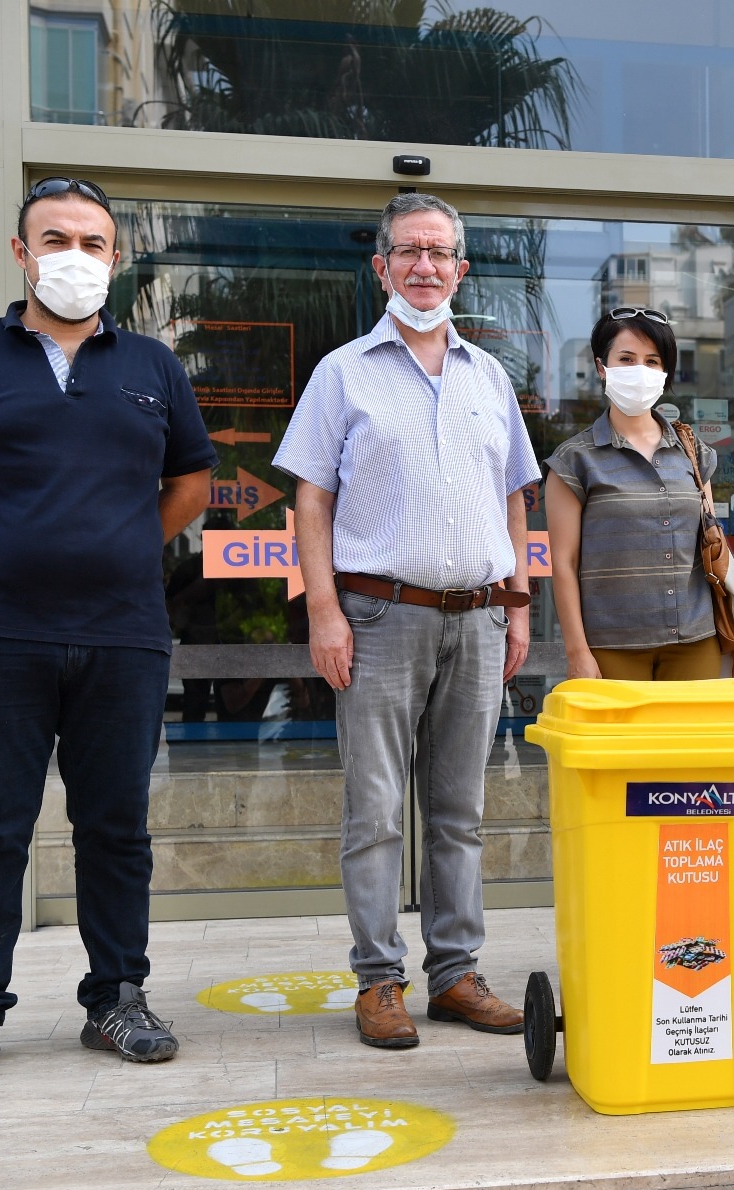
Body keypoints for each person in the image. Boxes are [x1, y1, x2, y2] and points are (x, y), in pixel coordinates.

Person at [0, 177, 217, 1084]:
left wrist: (119, 544)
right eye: (56, 239)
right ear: (23, 254)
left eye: (94, 241)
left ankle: (117, 996)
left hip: (122, 633)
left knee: (116, 826)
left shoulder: (151, 365)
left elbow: (188, 482)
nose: (76, 256)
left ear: (115, 258)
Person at [276, 193, 538, 1050]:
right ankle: (379, 979)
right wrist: (323, 610)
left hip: (478, 619)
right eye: (408, 252)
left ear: (460, 269)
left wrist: (519, 601)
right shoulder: (342, 372)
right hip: (379, 615)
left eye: (440, 252)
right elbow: (311, 501)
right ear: (380, 266)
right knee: (378, 808)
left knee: (459, 809)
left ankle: (455, 974)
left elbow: (514, 499)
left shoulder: (488, 376)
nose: (424, 266)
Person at [544, 308, 734, 682]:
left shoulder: (693, 452)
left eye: (652, 361)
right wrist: (577, 650)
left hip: (696, 640)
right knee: (621, 743)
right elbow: (563, 563)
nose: (639, 370)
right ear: (601, 367)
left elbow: (712, 542)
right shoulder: (574, 460)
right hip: (612, 646)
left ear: (664, 373)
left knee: (689, 743)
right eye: (626, 359)